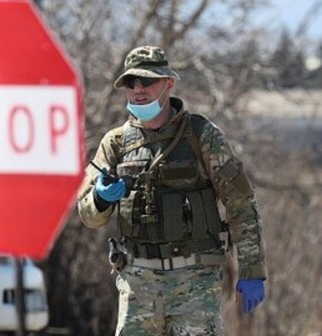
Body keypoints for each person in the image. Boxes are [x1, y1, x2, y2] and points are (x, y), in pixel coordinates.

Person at [77, 46, 267, 335]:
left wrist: (252, 270)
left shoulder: (202, 136)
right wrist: (100, 199)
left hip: (196, 283)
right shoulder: (114, 144)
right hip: (138, 284)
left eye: (147, 81)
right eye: (131, 82)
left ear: (169, 83)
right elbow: (88, 216)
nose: (139, 90)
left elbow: (240, 202)